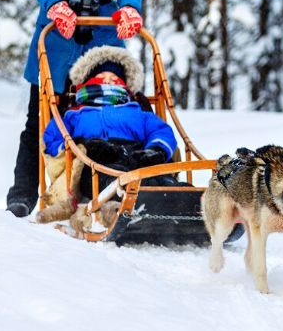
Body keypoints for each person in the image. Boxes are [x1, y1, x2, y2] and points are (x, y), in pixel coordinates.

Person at [6, 0, 145, 217]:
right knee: (40, 116)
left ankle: (109, 186)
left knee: (109, 110)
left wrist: (130, 8)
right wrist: (56, 6)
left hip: (103, 32)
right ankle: (23, 195)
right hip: (57, 36)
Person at [36, 46, 178, 224]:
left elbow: (161, 131)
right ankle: (120, 208)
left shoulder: (138, 111)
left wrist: (155, 149)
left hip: (136, 157)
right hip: (95, 163)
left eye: (115, 78)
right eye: (102, 77)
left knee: (160, 179)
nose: (109, 81)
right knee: (113, 179)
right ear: (87, 82)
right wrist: (81, 145)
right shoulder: (74, 114)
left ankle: (185, 200)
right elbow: (51, 140)